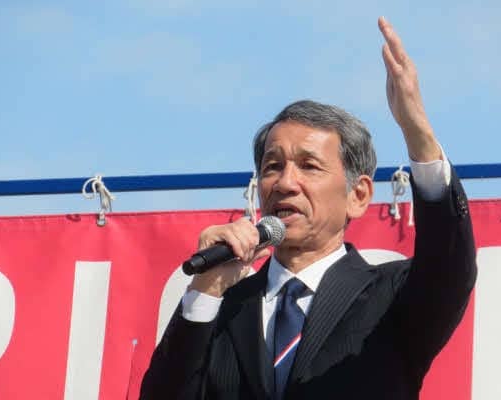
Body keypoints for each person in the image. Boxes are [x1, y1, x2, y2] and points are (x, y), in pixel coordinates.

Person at [140, 17, 476, 400]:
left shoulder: (390, 294)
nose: (285, 182)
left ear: (358, 195)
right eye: (272, 166)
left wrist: (418, 133)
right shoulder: (223, 308)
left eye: (309, 166)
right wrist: (207, 287)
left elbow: (450, 265)